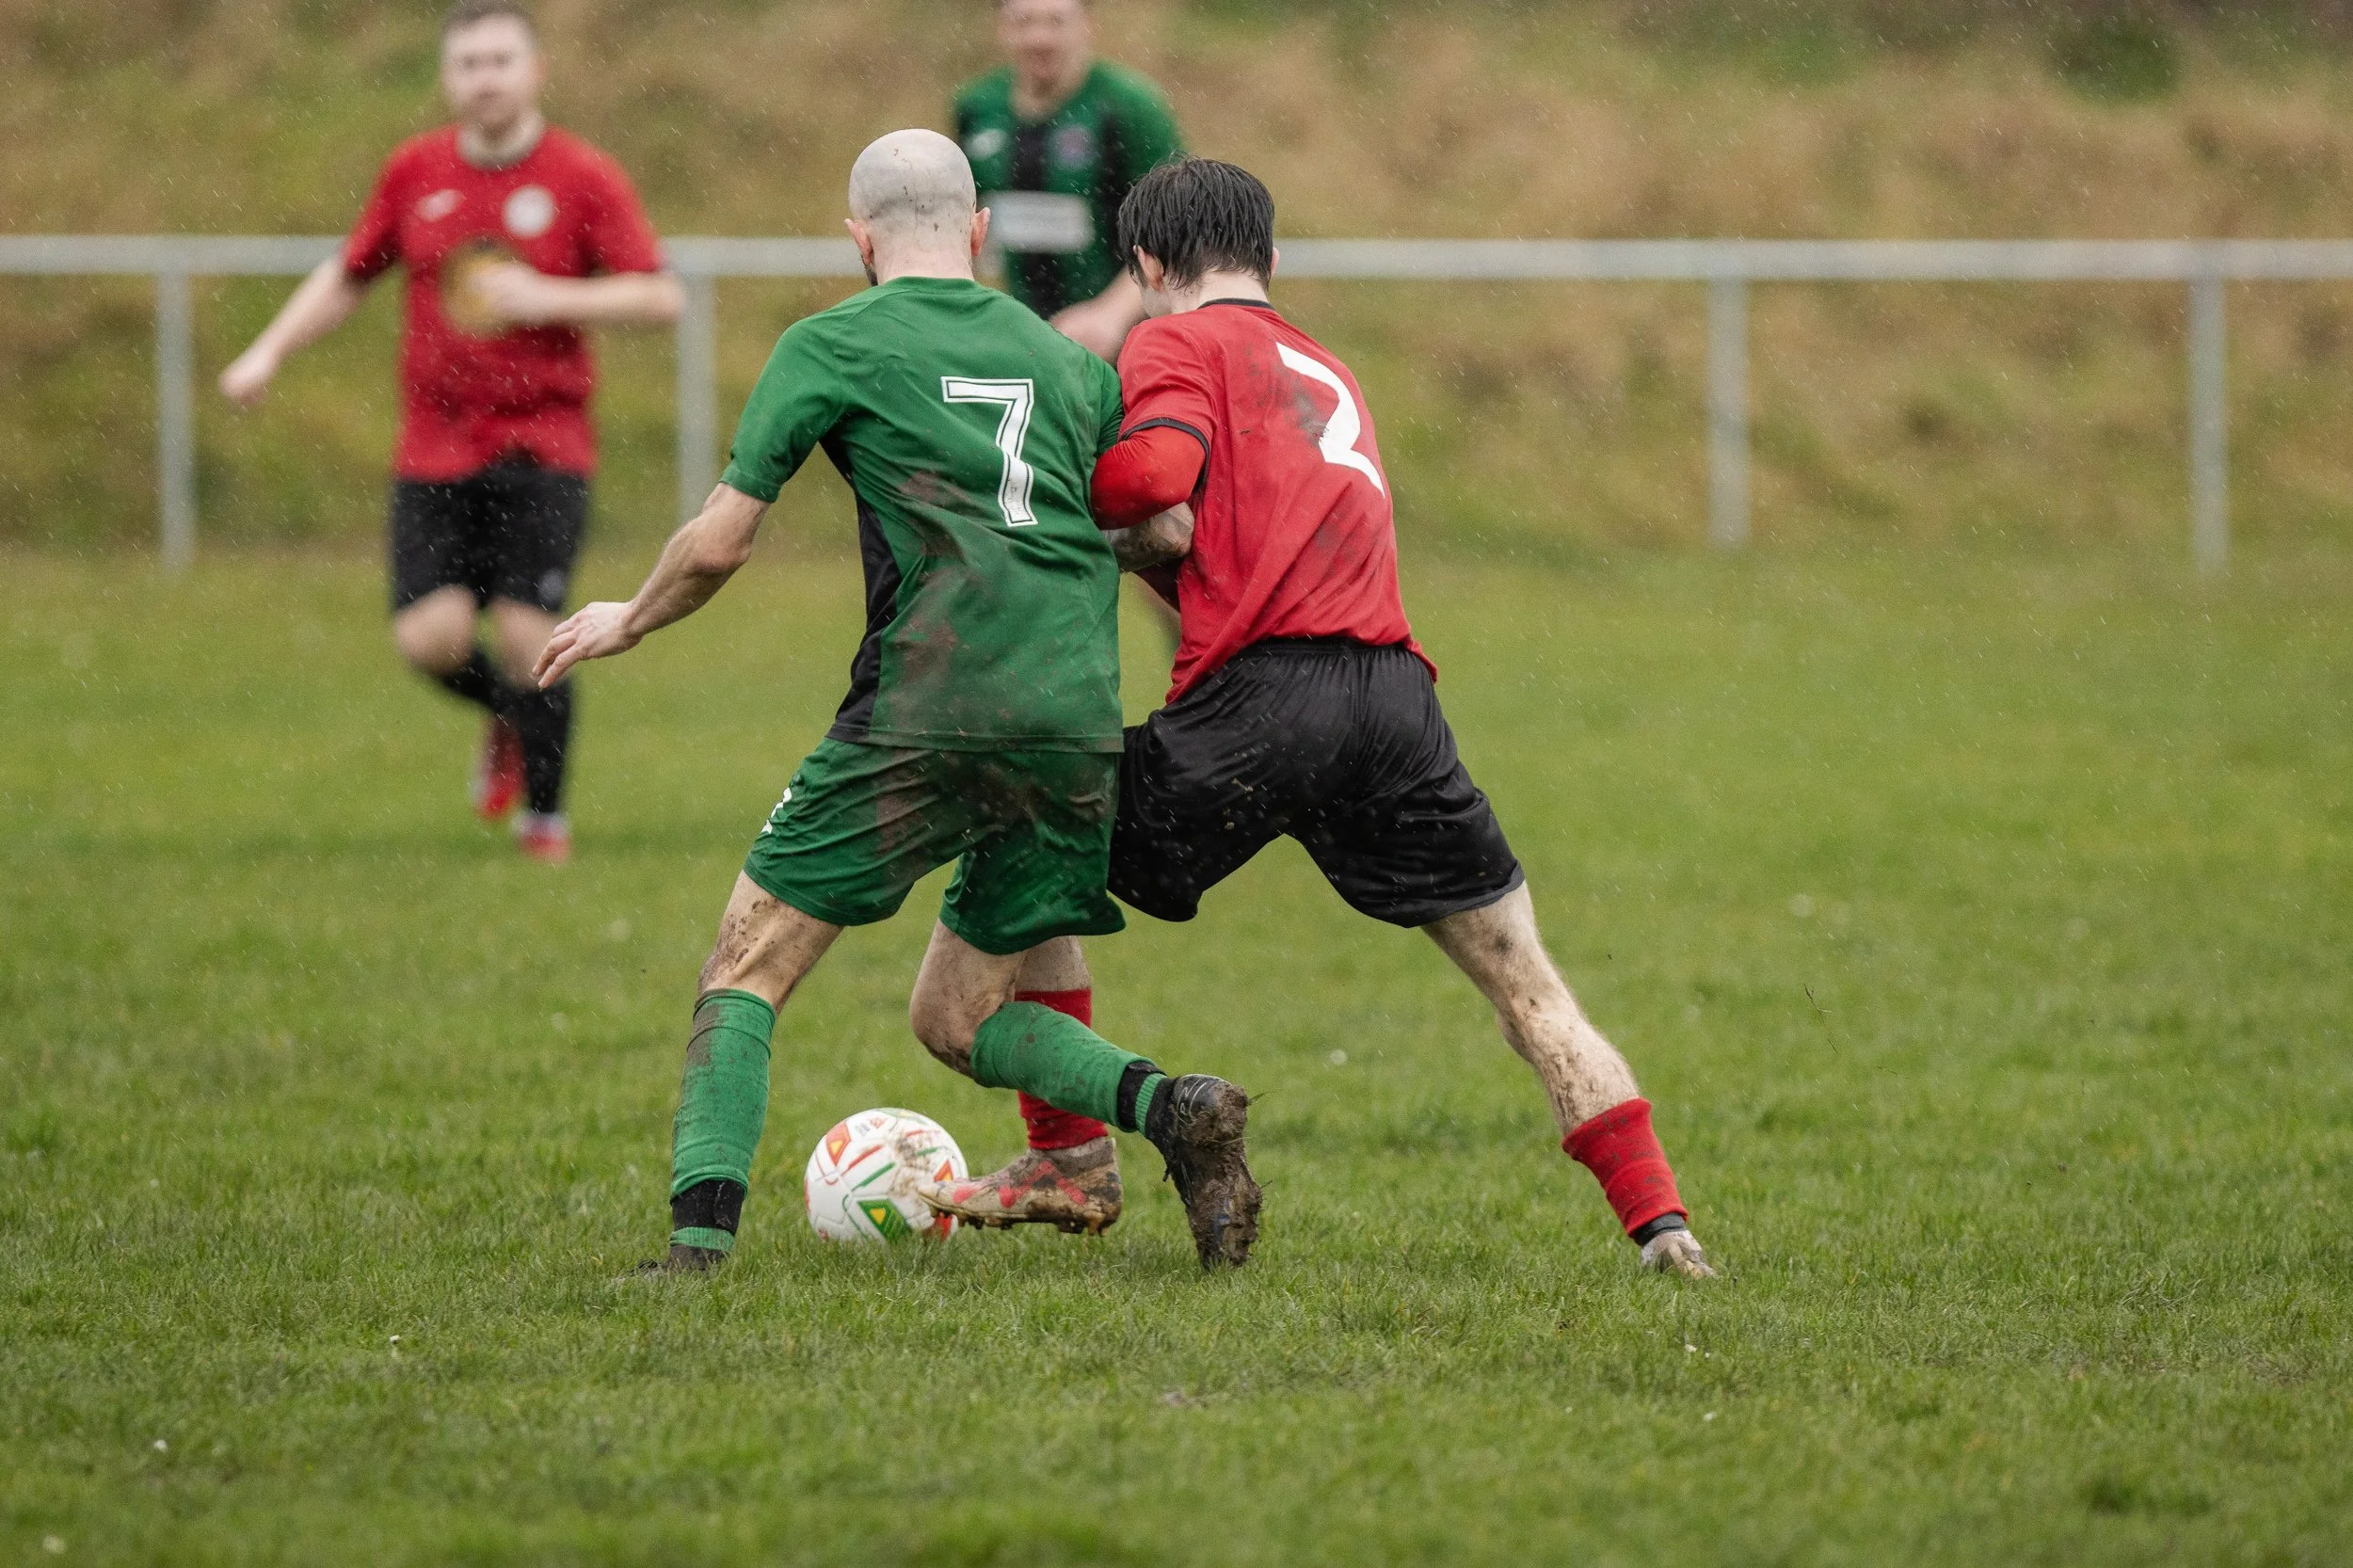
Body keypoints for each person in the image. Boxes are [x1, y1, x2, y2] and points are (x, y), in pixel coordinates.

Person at [921, 159, 1719, 1280]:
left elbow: (1155, 478)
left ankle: (1069, 1155)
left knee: (1025, 827)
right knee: (1526, 987)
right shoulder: (1323, 362)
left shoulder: (1170, 341)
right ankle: (1662, 1227)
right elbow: (1224, 546)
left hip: (1262, 706)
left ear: (1147, 266)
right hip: (1395, 701)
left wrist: (1048, 484)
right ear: (1272, 261)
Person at [531, 130, 1259, 1275]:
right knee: (955, 1017)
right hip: (1071, 712)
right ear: (977, 235)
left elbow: (720, 543)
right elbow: (1158, 528)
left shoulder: (833, 340)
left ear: (859, 238)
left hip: (926, 705)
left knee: (748, 961)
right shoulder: (1070, 359)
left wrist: (629, 615)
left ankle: (693, 1251)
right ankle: (1175, 1106)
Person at [218, 0, 682, 864]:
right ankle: (508, 719)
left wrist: (553, 298)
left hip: (543, 445)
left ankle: (545, 823)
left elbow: (660, 296)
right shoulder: (416, 170)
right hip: (434, 447)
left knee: (523, 633)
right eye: (469, 62)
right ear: (448, 77)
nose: (486, 76)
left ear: (535, 70)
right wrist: (267, 350)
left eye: (502, 59)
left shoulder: (582, 176)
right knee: (427, 640)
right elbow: (350, 274)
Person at [953, 0, 1182, 362]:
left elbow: (1178, 229)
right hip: (1022, 338)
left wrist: (1111, 315)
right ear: (1002, 26)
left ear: (1086, 24)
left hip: (1129, 342)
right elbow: (957, 223)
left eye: (1056, 21)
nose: (1039, 37)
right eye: (1024, 21)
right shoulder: (977, 108)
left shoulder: (1129, 106)